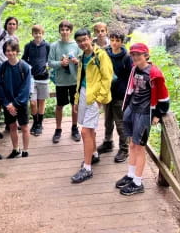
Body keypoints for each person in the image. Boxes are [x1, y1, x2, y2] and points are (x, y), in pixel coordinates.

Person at [115, 43, 170, 195]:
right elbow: (131, 89)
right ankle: (131, 175)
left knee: (140, 147)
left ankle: (138, 182)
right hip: (132, 110)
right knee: (132, 143)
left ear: (146, 55)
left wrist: (158, 114)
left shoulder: (154, 73)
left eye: (138, 54)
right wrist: (126, 108)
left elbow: (163, 95)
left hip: (144, 114)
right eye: (133, 55)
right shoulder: (134, 69)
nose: (135, 57)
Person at [71, 28, 113, 184]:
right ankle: (94, 154)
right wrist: (76, 99)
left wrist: (100, 99)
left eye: (84, 40)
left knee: (85, 131)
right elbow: (79, 79)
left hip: (94, 97)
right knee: (89, 129)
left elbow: (107, 78)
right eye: (79, 41)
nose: (83, 43)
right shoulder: (82, 57)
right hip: (83, 94)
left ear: (90, 39)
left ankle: (87, 168)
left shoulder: (101, 56)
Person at [97, 30, 132, 163]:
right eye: (112, 40)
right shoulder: (106, 54)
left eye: (117, 40)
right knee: (108, 120)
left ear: (122, 42)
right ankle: (108, 142)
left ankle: (124, 149)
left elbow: (130, 77)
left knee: (120, 123)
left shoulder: (126, 57)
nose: (114, 43)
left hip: (120, 94)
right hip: (107, 92)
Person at [0, 40, 32, 158]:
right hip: (8, 104)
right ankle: (16, 149)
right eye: (7, 50)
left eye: (12, 50)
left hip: (20, 103)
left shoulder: (24, 67)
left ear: (17, 51)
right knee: (12, 126)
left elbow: (25, 89)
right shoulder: (2, 68)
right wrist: (7, 104)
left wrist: (15, 104)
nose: (10, 53)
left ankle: (25, 150)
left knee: (24, 126)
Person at [48, 20, 81, 143]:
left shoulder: (77, 45)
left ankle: (74, 128)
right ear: (59, 31)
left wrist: (76, 61)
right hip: (61, 81)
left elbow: (82, 61)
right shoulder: (54, 46)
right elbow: (50, 62)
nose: (64, 32)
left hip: (74, 80)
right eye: (62, 30)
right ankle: (58, 129)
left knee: (75, 106)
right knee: (59, 106)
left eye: (67, 30)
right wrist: (60, 63)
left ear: (70, 31)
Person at [0, 0, 18, 139]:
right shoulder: (0, 32)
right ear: (6, 25)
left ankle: (10, 122)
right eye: (10, 23)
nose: (11, 25)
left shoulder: (16, 39)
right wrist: (5, 4)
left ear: (16, 26)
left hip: (8, 67)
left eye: (14, 24)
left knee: (8, 93)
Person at [21, 25, 51, 136]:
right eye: (35, 33)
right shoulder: (28, 46)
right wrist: (28, 68)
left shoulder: (47, 45)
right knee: (33, 102)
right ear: (32, 34)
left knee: (42, 101)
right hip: (31, 78)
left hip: (43, 78)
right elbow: (24, 59)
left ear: (43, 34)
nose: (38, 35)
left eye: (40, 33)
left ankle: (39, 124)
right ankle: (35, 121)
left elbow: (50, 59)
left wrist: (46, 67)